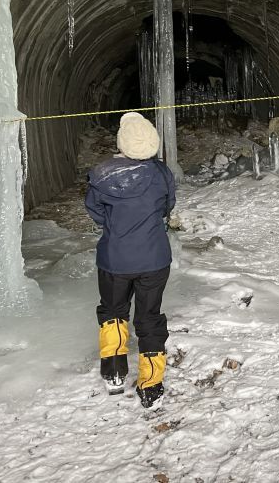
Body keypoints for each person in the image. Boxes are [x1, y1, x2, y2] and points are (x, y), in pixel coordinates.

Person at [85, 112, 176, 409]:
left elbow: (95, 211)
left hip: (115, 259)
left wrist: (118, 225)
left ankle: (113, 374)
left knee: (113, 311)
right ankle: (151, 386)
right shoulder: (161, 173)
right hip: (154, 259)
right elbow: (167, 206)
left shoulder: (102, 175)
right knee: (149, 318)